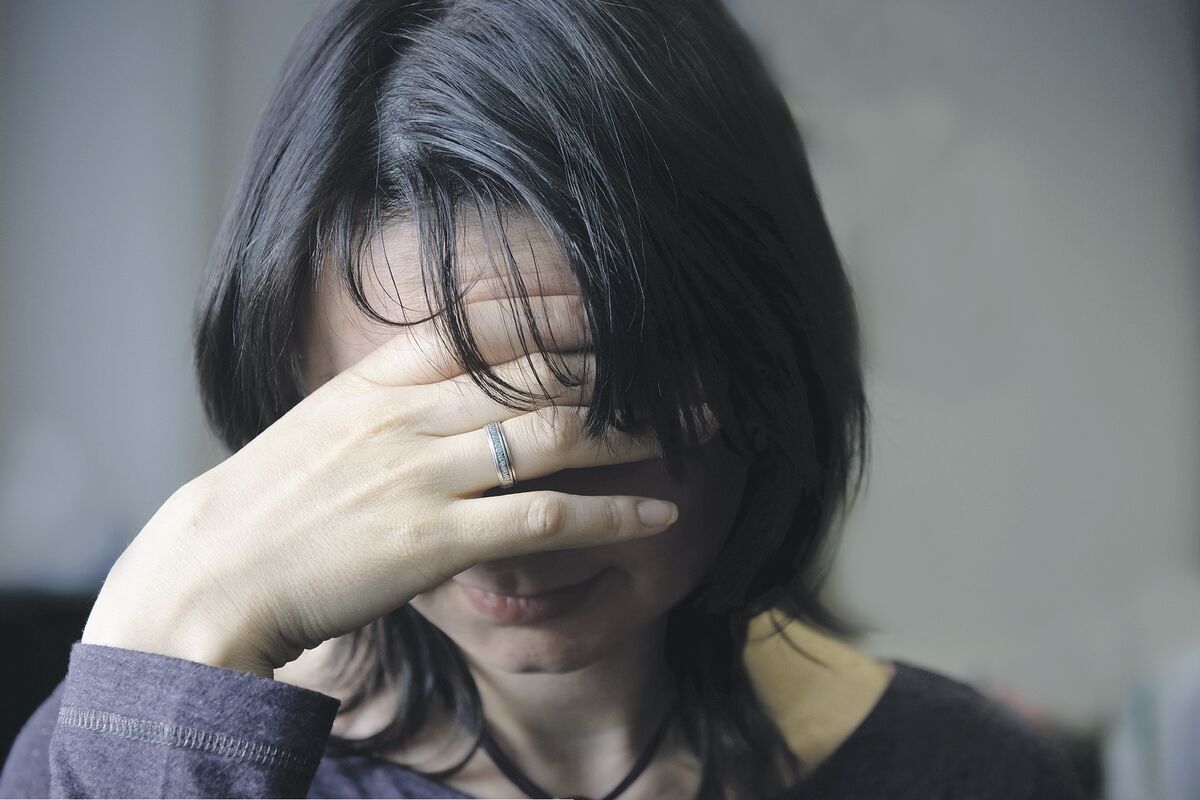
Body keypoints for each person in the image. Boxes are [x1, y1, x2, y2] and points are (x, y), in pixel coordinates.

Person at [0, 0, 1087, 798]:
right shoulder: (119, 757)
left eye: (589, 413)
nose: (511, 535)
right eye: (410, 434)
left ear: (757, 360)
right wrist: (172, 632)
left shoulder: (963, 772)